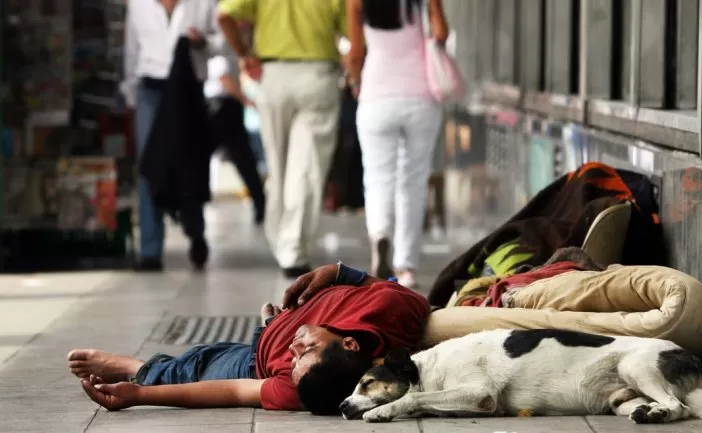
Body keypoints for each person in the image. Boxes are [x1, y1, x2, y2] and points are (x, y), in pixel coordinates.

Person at [67, 263, 431, 415]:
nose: (295, 348)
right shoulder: (395, 310)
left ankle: (137, 368)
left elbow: (234, 391)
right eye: (305, 348)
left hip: (254, 363)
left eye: (294, 360)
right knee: (226, 351)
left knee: (193, 366)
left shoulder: (300, 386)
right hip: (274, 328)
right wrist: (335, 271)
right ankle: (269, 325)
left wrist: (140, 396)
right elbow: (385, 287)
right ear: (350, 343)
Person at [216, 0, 347, 279]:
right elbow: (352, 28)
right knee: (306, 168)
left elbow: (225, 15)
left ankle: (282, 241)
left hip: (272, 76)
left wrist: (244, 54)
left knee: (278, 166)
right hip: (317, 74)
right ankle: (292, 249)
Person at [346, 0, 449, 288]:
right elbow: (441, 35)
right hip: (421, 98)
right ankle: (406, 267)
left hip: (376, 97)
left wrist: (356, 83)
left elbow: (355, 54)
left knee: (377, 178)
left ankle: (380, 234)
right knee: (413, 181)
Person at [122, 0, 225, 271]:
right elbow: (131, 51)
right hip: (150, 88)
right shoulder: (138, 4)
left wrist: (202, 42)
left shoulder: (203, 3)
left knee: (189, 163)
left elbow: (220, 40)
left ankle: (196, 232)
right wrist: (131, 92)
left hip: (188, 88)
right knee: (149, 164)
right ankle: (150, 250)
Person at [204, 48, 266, 225]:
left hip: (224, 106)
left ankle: (259, 202)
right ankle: (259, 201)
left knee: (242, 158)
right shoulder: (222, 50)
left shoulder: (228, 51)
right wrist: (246, 100)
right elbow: (226, 80)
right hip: (221, 106)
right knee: (243, 158)